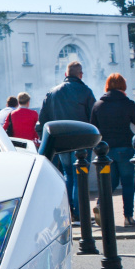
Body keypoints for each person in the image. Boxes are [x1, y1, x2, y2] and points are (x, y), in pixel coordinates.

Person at [38, 61, 97, 219]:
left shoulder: (52, 92)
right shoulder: (86, 91)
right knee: (80, 176)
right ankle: (79, 212)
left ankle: (68, 210)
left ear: (65, 74)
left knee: (67, 174)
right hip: (82, 141)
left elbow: (43, 120)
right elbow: (93, 117)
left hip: (62, 141)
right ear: (80, 74)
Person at [91, 73, 135, 226]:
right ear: (123, 86)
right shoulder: (127, 103)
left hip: (105, 150)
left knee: (110, 182)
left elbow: (93, 126)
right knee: (128, 183)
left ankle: (100, 206)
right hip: (125, 146)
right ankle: (128, 217)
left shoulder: (98, 104)